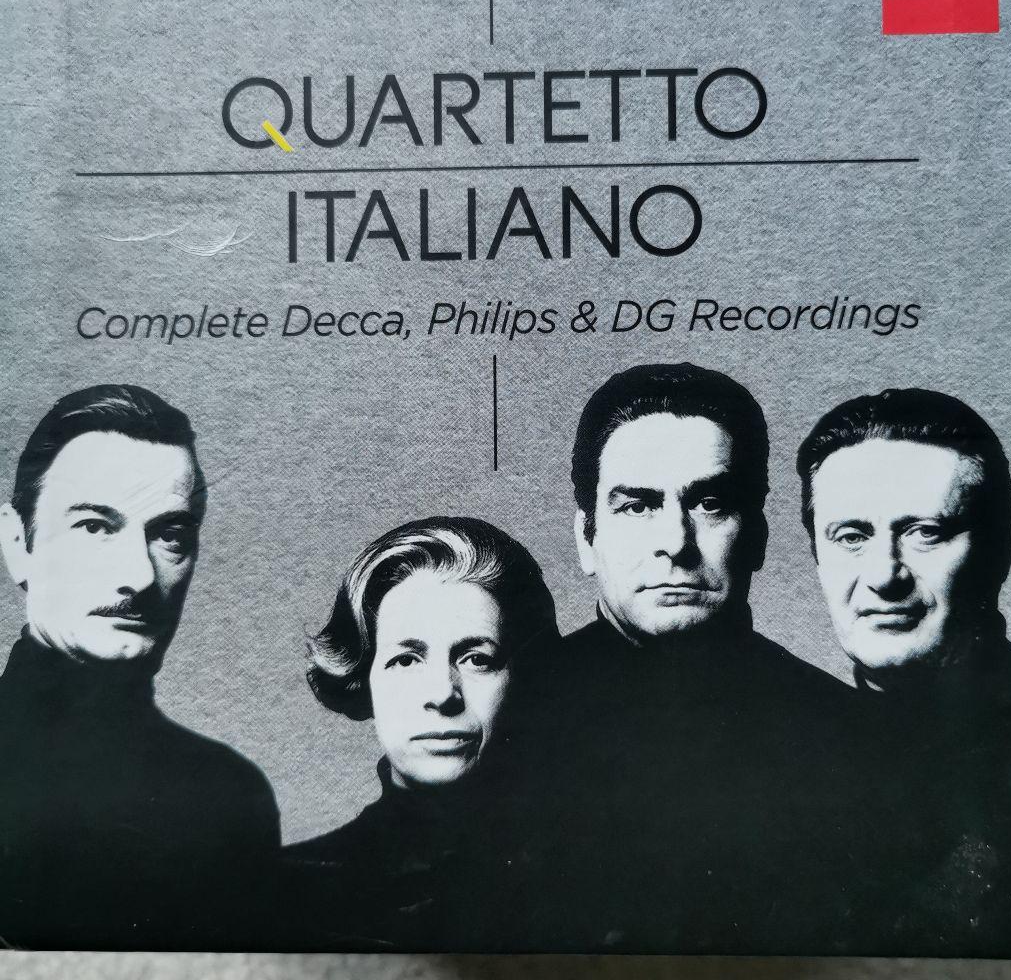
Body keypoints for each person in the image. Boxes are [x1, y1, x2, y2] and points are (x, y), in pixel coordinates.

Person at [542, 362, 857, 952]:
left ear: (758, 536)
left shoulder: (847, 733)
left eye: (710, 503)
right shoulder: (509, 718)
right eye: (637, 506)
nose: (676, 543)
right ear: (586, 538)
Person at [0, 384, 280, 950]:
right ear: (16, 542)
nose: (139, 576)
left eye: (170, 536)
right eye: (95, 527)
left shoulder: (228, 795)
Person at [796, 387, 1011, 957]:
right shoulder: (788, 749)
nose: (884, 575)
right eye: (851, 536)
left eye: (925, 532)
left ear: (1000, 549)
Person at [284, 516, 561, 951]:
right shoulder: (289, 889)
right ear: (363, 679)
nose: (442, 694)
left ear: (521, 679)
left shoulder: (585, 879)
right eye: (406, 660)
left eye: (477, 659)